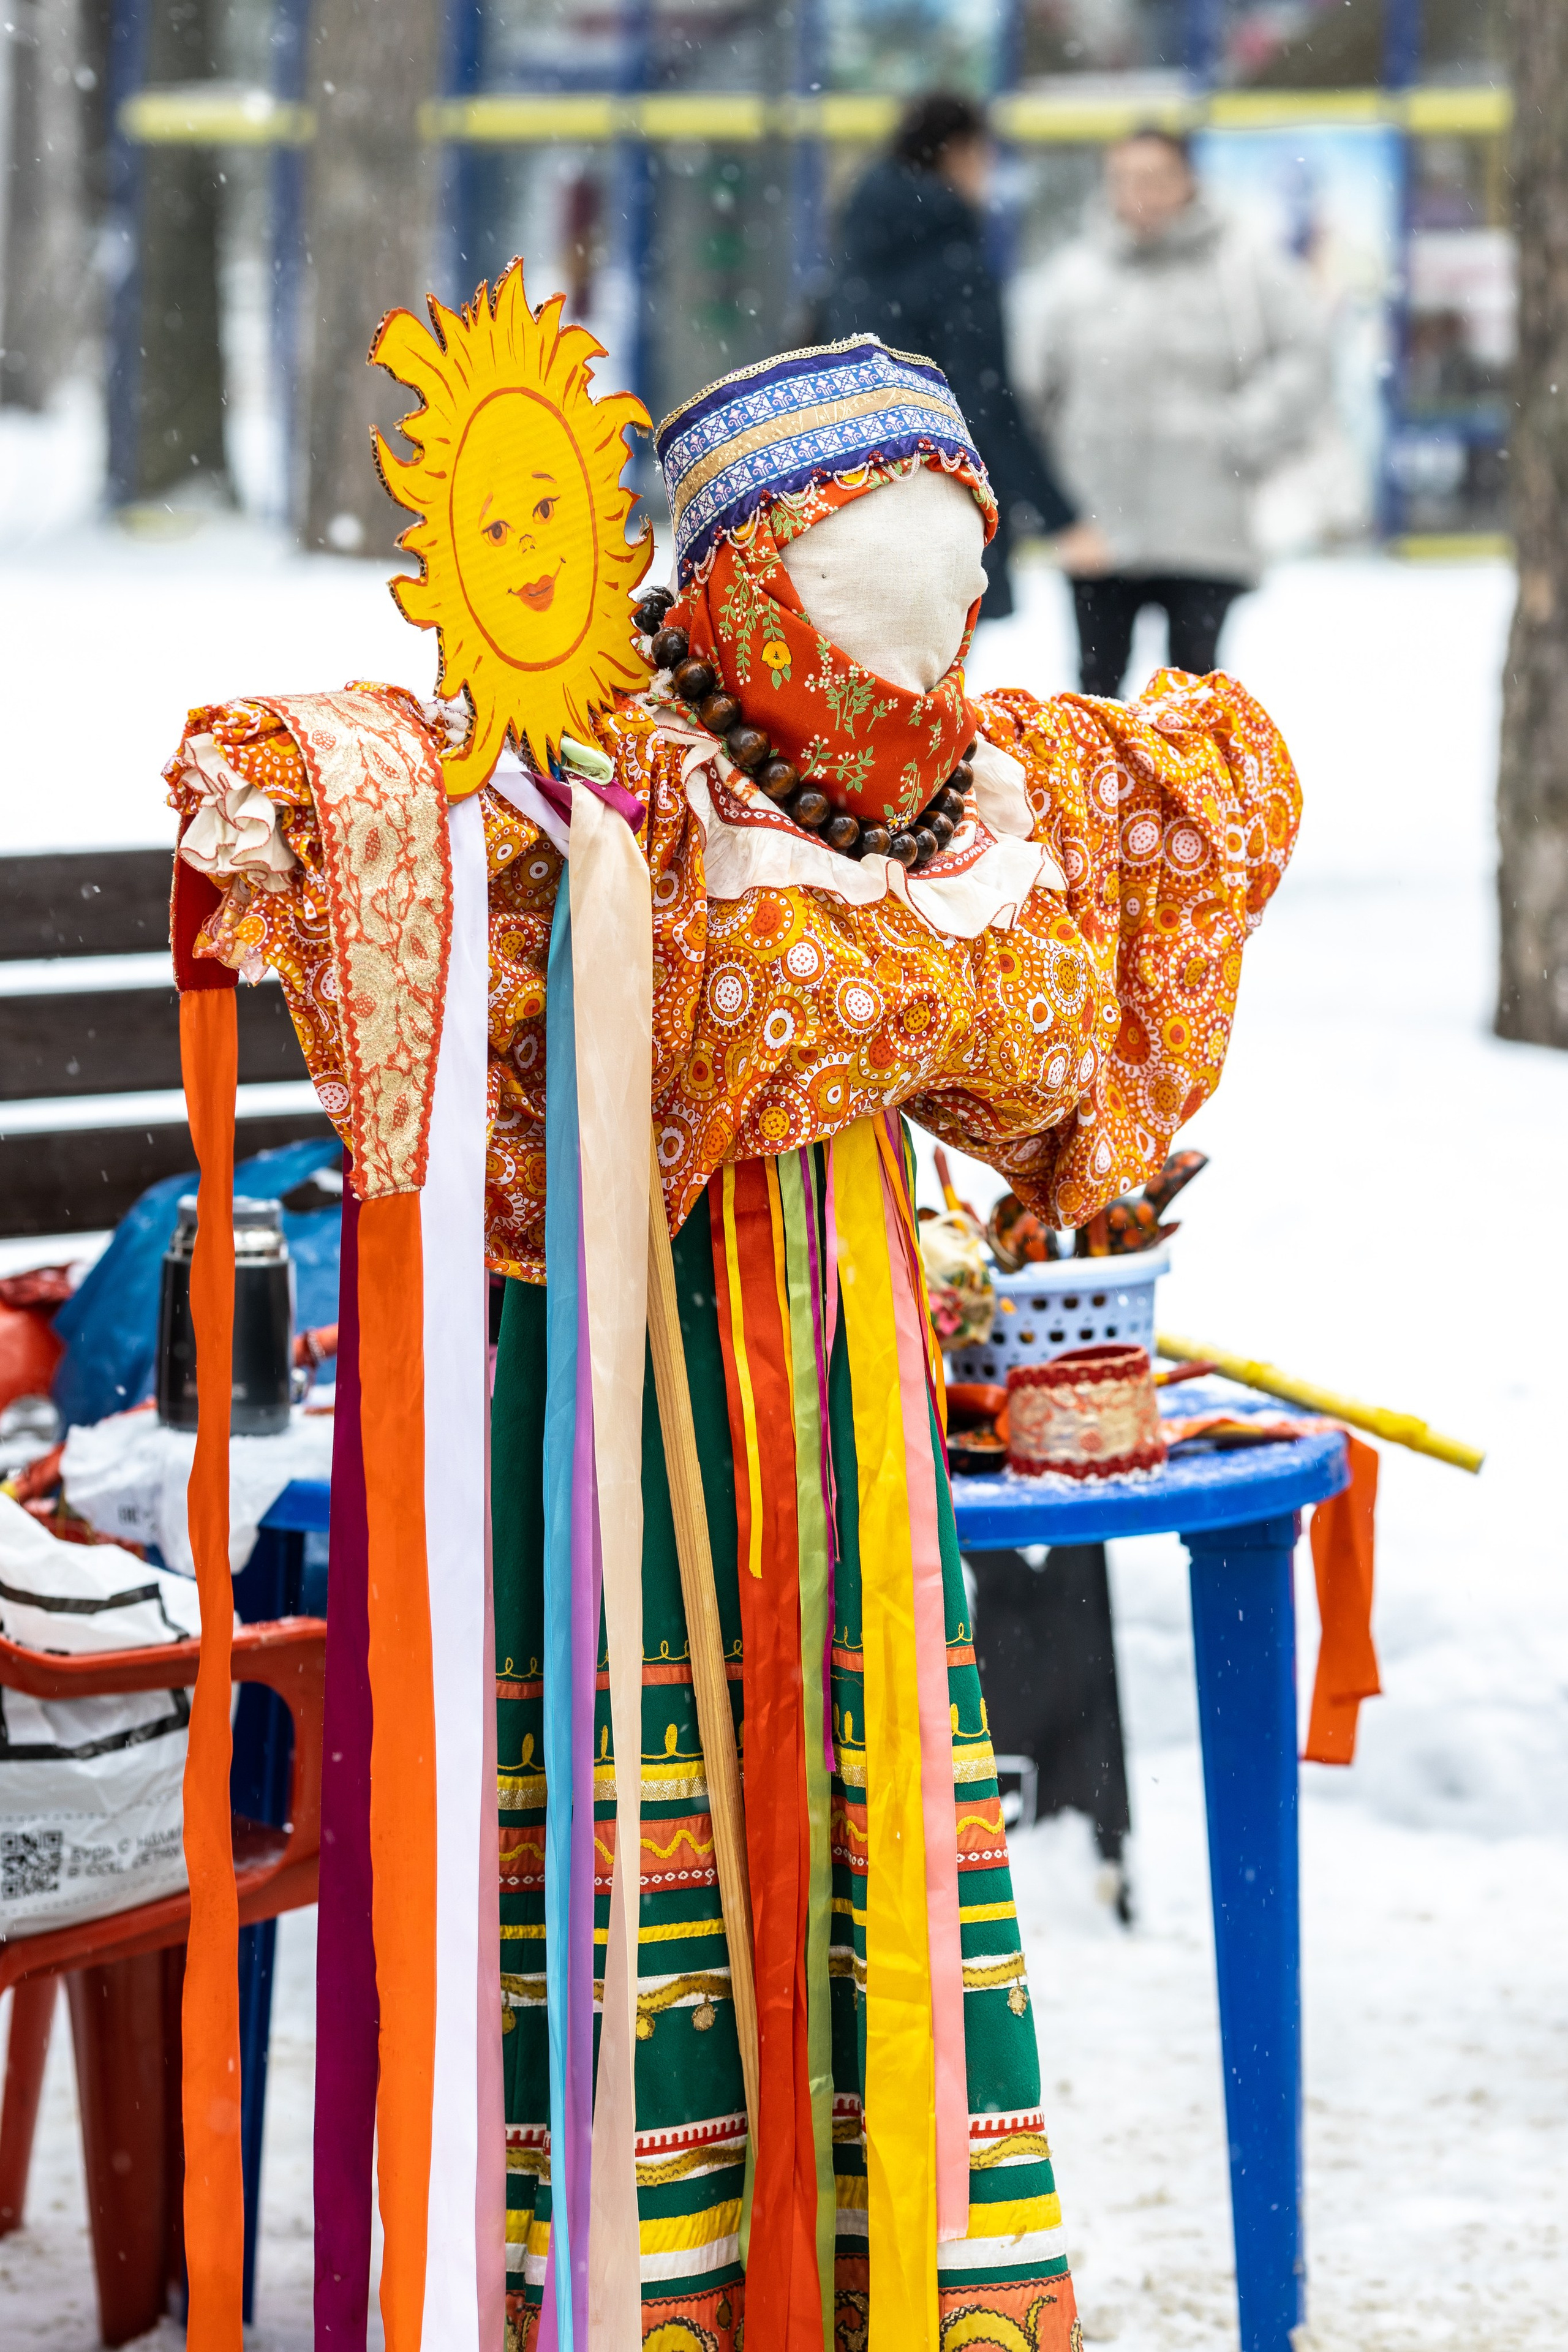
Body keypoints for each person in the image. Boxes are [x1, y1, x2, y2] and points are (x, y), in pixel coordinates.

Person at [164, 312, 1302, 2352]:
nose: (928, 641)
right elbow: (403, 801)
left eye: (956, 588)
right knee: (640, 1751)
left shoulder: (963, 794)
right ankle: (645, 2275)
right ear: (751, 591)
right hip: (622, 1373)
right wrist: (326, 800)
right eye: (872, 595)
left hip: (856, 1370)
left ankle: (890, 2263)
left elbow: (1073, 1001)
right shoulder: (610, 798)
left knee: (867, 1769)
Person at [1031, 126, 1329, 695]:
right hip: (1099, 527)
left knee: (1193, 698)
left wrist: (1242, 431)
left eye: (1155, 177)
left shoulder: (1243, 267)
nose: (1140, 193)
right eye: (1124, 178)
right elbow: (1033, 389)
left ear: (1188, 181)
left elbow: (1306, 357)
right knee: (1094, 699)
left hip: (1205, 525)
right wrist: (1053, 496)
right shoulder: (1072, 277)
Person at [825, 91, 1101, 619]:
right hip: (939, 505)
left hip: (850, 501)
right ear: (958, 153)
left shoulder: (854, 253)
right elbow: (985, 402)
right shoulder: (954, 263)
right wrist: (1060, 518)